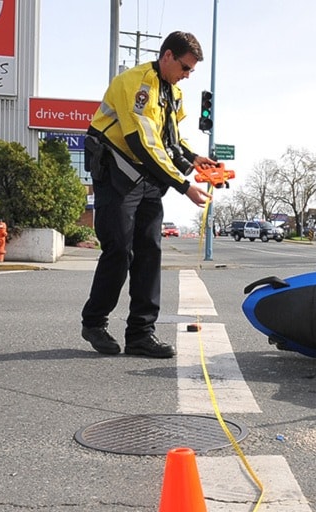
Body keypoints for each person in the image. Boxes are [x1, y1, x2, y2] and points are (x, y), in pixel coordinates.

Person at [81, 31, 217, 358]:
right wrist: (184, 185)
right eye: (185, 67)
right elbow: (143, 141)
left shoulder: (173, 93)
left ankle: (141, 333)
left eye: (191, 72)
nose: (187, 75)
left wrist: (194, 159)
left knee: (149, 252)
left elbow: (169, 139)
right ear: (167, 56)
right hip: (117, 171)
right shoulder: (136, 83)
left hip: (147, 177)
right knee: (119, 250)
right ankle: (94, 322)